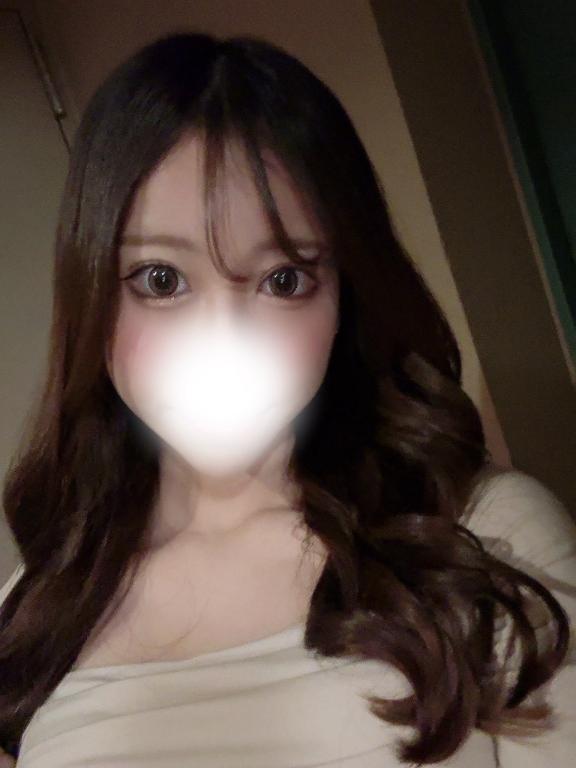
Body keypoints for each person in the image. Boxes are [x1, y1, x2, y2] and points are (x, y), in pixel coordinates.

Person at [0, 31, 574, 767]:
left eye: (284, 280)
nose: (222, 343)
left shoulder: (486, 538)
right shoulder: (40, 596)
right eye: (160, 280)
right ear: (91, 297)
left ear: (344, 299)